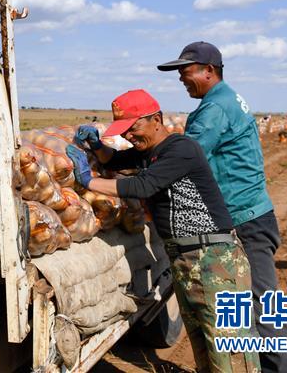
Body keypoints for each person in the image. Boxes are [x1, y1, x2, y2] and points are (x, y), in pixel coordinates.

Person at [71, 89, 259, 373]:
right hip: (187, 260)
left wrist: (88, 181)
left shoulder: (181, 149)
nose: (129, 137)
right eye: (124, 131)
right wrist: (97, 146)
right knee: (205, 348)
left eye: (133, 128)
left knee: (230, 351)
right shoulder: (150, 152)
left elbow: (142, 186)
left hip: (215, 261)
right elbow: (115, 161)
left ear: (156, 119)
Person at [157, 42, 287, 372]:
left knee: (261, 313)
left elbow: (183, 159)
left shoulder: (215, 110)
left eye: (186, 69)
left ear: (209, 70)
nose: (181, 76)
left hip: (245, 221)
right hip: (251, 214)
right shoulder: (223, 100)